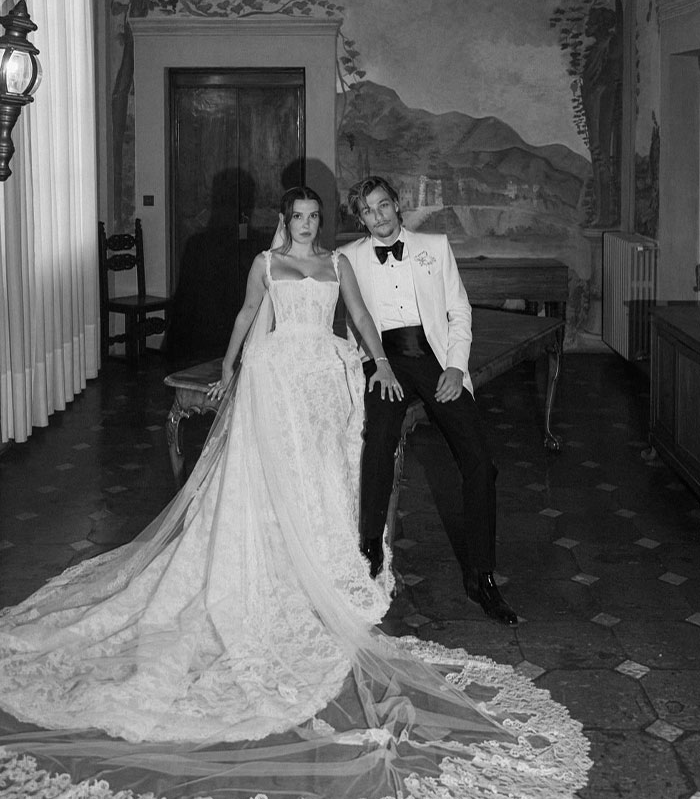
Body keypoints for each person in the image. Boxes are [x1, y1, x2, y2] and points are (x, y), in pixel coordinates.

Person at [0, 187, 590, 798]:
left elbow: (368, 318)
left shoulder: (354, 261)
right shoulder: (274, 261)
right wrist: (229, 366)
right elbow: (248, 316)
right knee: (303, 467)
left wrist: (402, 363)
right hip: (282, 374)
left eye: (316, 218)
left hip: (351, 367)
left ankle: (437, 570)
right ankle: (325, 553)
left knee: (352, 466)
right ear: (290, 221)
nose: (309, 226)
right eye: (300, 218)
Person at [341, 176, 517, 626]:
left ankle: (482, 576)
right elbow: (350, 324)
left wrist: (456, 368)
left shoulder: (435, 247)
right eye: (367, 211)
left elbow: (460, 310)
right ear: (359, 218)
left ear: (397, 205)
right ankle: (369, 555)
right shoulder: (351, 258)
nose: (377, 217)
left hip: (435, 358)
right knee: (379, 440)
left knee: (479, 460)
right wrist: (370, 364)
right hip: (384, 361)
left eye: (383, 206)